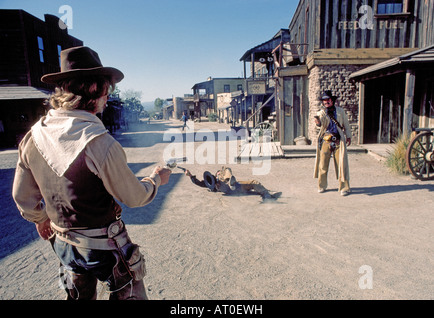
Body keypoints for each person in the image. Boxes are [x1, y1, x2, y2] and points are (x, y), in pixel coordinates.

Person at [12, 46, 171, 300]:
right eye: (106, 88)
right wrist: (155, 180)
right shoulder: (99, 142)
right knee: (131, 292)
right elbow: (134, 197)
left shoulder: (33, 136)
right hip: (103, 248)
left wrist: (41, 218)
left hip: (63, 245)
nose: (108, 97)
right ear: (93, 89)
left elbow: (23, 198)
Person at [313, 90, 351, 196]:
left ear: (332, 100)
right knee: (323, 165)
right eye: (324, 100)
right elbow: (320, 125)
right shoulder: (321, 113)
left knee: (341, 165)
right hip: (326, 140)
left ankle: (344, 188)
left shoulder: (340, 111)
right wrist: (318, 123)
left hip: (338, 140)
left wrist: (348, 136)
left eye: (328, 100)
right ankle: (322, 186)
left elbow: (346, 124)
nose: (326, 102)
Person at [185, 166, 281, 200]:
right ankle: (266, 194)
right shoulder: (219, 179)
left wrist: (190, 175)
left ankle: (229, 181)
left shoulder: (209, 185)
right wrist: (219, 177)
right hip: (236, 187)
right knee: (253, 182)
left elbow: (198, 183)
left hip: (231, 190)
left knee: (225, 171)